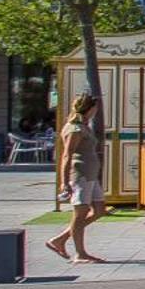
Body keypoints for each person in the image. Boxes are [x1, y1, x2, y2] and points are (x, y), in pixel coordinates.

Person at [48, 94, 108, 264]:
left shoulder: (83, 126)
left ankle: (60, 239)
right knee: (80, 214)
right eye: (95, 107)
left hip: (91, 175)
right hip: (80, 175)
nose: (96, 111)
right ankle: (80, 253)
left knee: (99, 210)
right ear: (88, 108)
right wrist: (64, 181)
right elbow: (66, 155)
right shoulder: (74, 128)